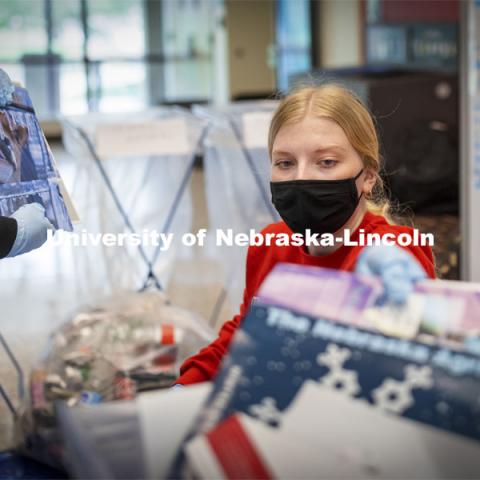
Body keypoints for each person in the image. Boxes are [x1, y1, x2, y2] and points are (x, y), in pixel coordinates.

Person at [175, 84, 436, 386]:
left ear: (367, 176)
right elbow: (247, 333)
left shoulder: (393, 254)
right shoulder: (270, 245)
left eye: (326, 162)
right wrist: (183, 387)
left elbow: (409, 371)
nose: (301, 178)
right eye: (285, 163)